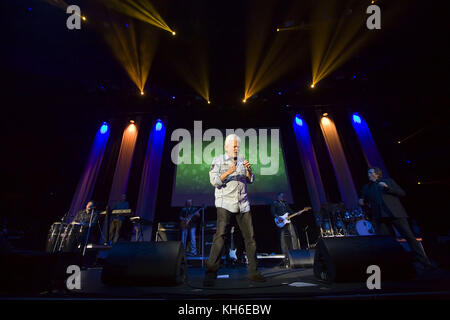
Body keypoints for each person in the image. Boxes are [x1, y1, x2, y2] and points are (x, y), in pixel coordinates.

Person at [203, 134, 266, 286]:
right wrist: (228, 172)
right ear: (227, 147)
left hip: (243, 203)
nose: (237, 149)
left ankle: (254, 273)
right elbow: (214, 181)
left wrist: (249, 171)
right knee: (220, 236)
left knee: (250, 238)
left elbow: (251, 180)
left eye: (238, 146)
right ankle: (211, 273)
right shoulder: (218, 160)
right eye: (234, 146)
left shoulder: (243, 159)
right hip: (225, 202)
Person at [359, 167, 434, 269]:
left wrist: (388, 188)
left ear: (377, 174)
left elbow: (402, 193)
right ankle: (394, 265)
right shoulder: (366, 187)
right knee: (386, 242)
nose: (369, 175)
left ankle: (425, 262)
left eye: (371, 173)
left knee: (409, 237)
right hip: (380, 217)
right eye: (368, 173)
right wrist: (362, 201)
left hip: (395, 214)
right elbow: (364, 200)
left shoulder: (388, 181)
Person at [271, 192, 300, 268]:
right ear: (278, 197)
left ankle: (295, 252)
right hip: (280, 222)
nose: (282, 197)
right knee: (282, 238)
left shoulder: (286, 203)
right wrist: (278, 217)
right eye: (280, 196)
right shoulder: (275, 203)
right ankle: (285, 255)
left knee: (293, 235)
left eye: (283, 196)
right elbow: (273, 212)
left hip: (288, 220)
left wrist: (297, 213)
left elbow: (290, 211)